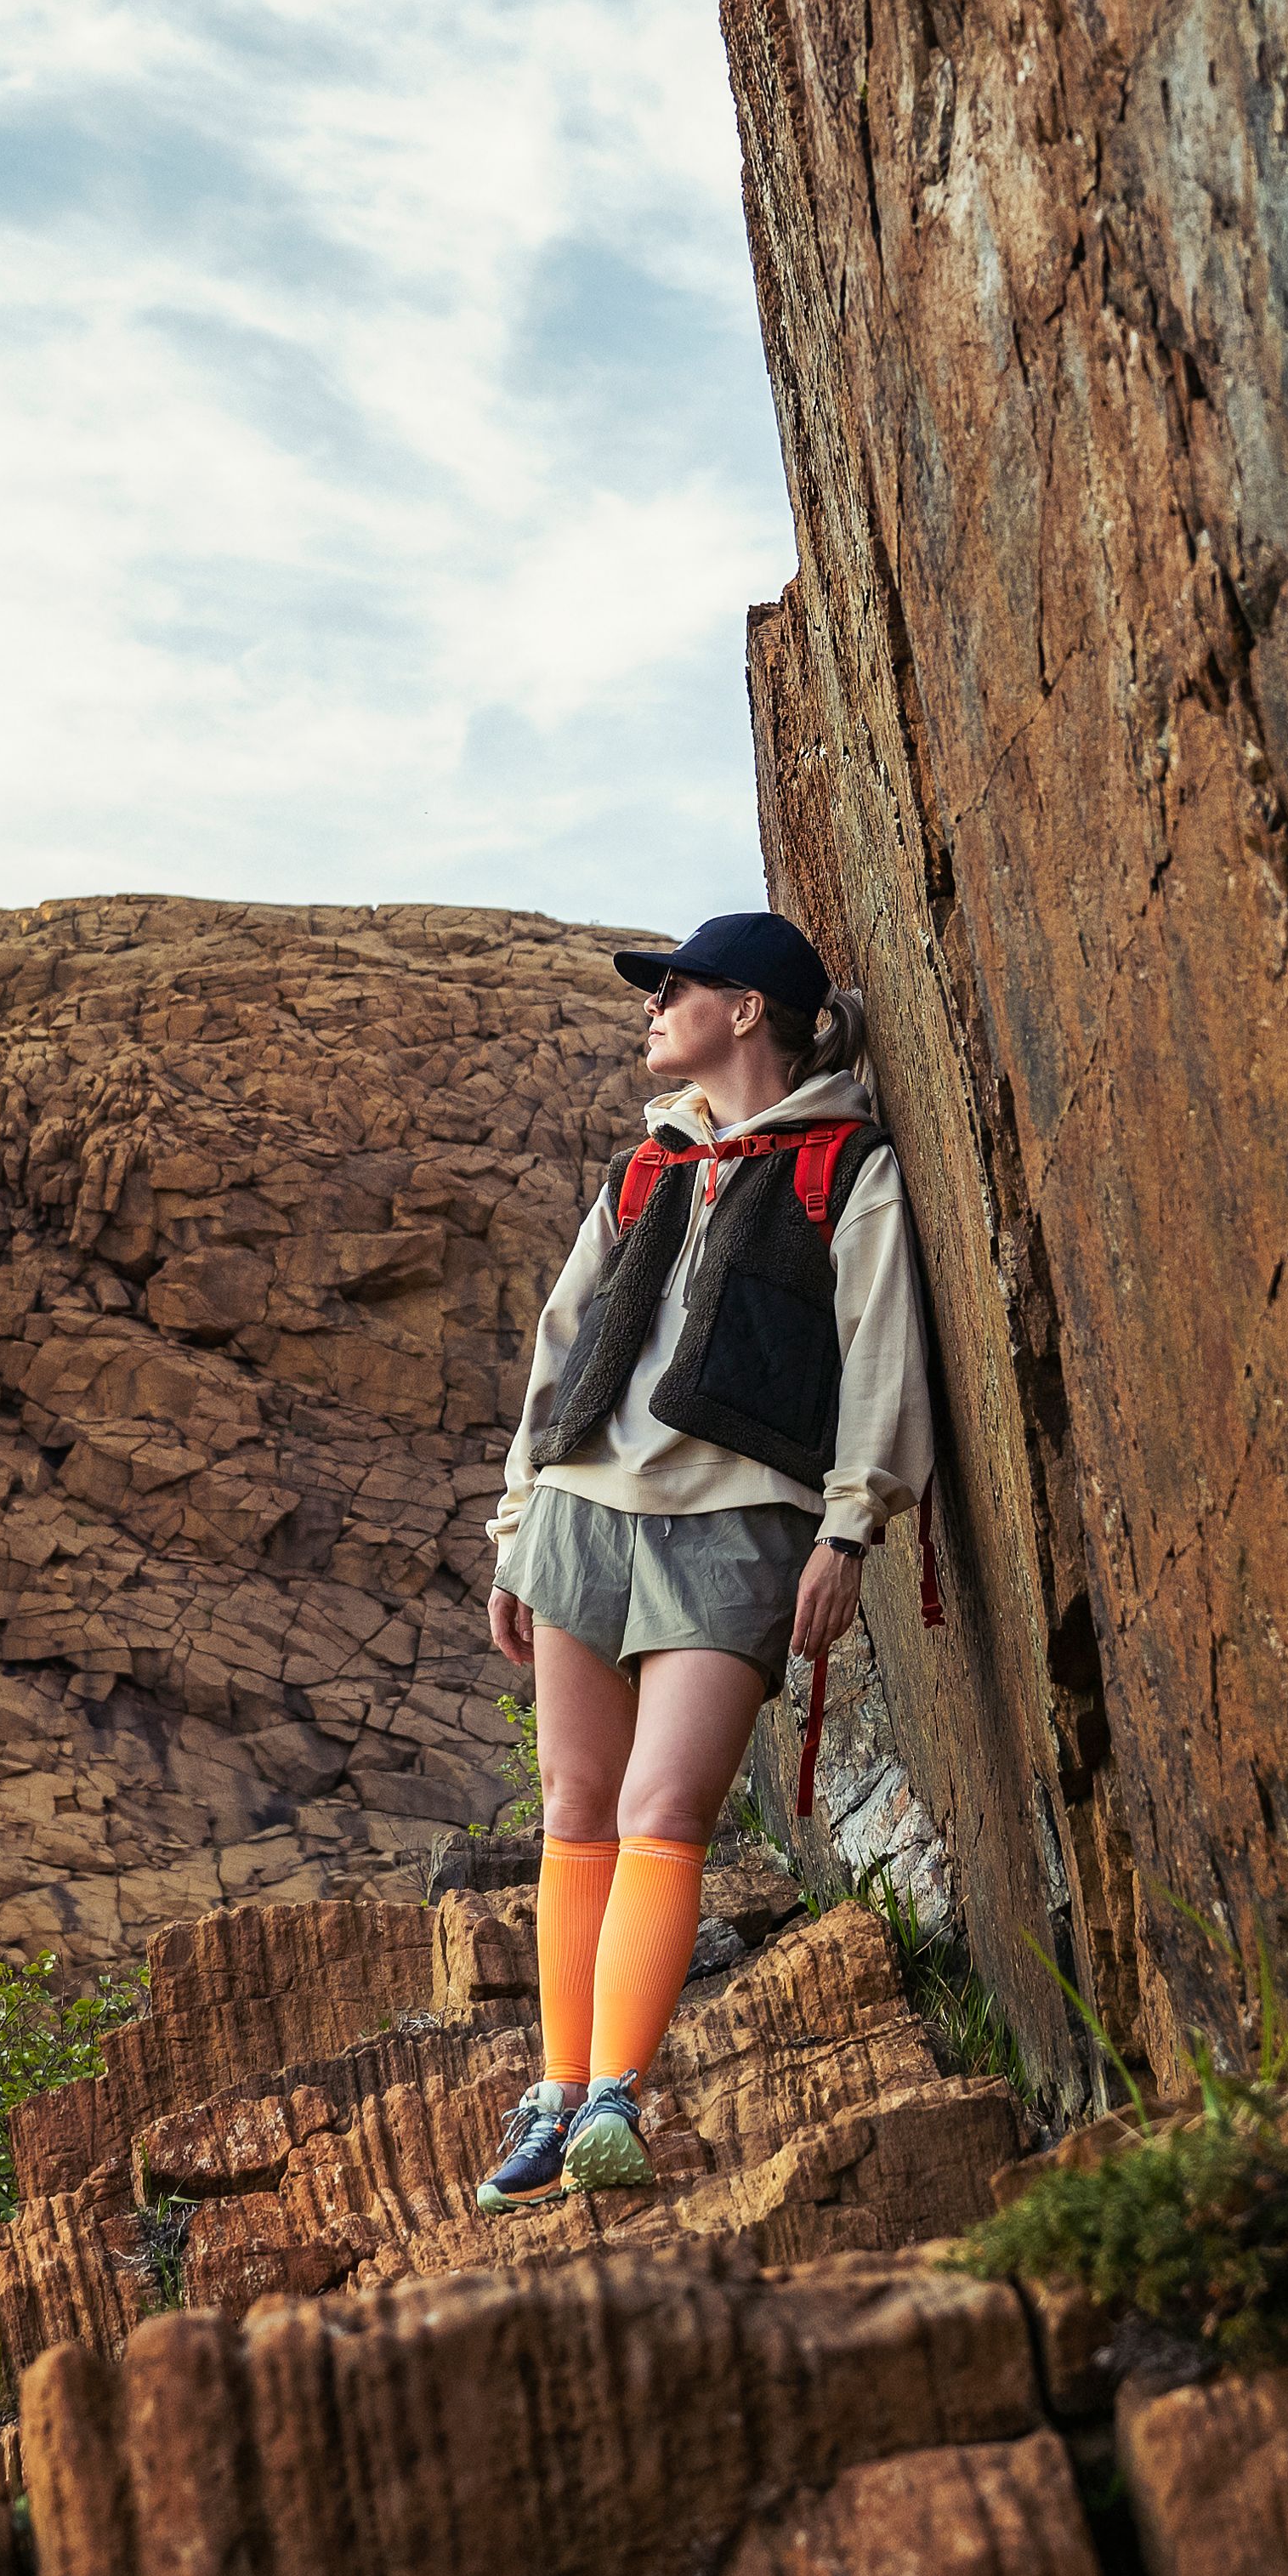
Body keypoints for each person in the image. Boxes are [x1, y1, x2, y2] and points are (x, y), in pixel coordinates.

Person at [471, 905, 928, 2203]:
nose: (652, 1006)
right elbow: (559, 1354)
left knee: (662, 1811)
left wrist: (851, 1523)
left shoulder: (849, 1166)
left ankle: (616, 2095)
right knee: (575, 1810)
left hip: (739, 1523)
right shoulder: (644, 1170)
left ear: (745, 1010)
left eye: (675, 988)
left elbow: (885, 1350)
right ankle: (560, 2097)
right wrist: (516, 1527)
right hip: (581, 1515)